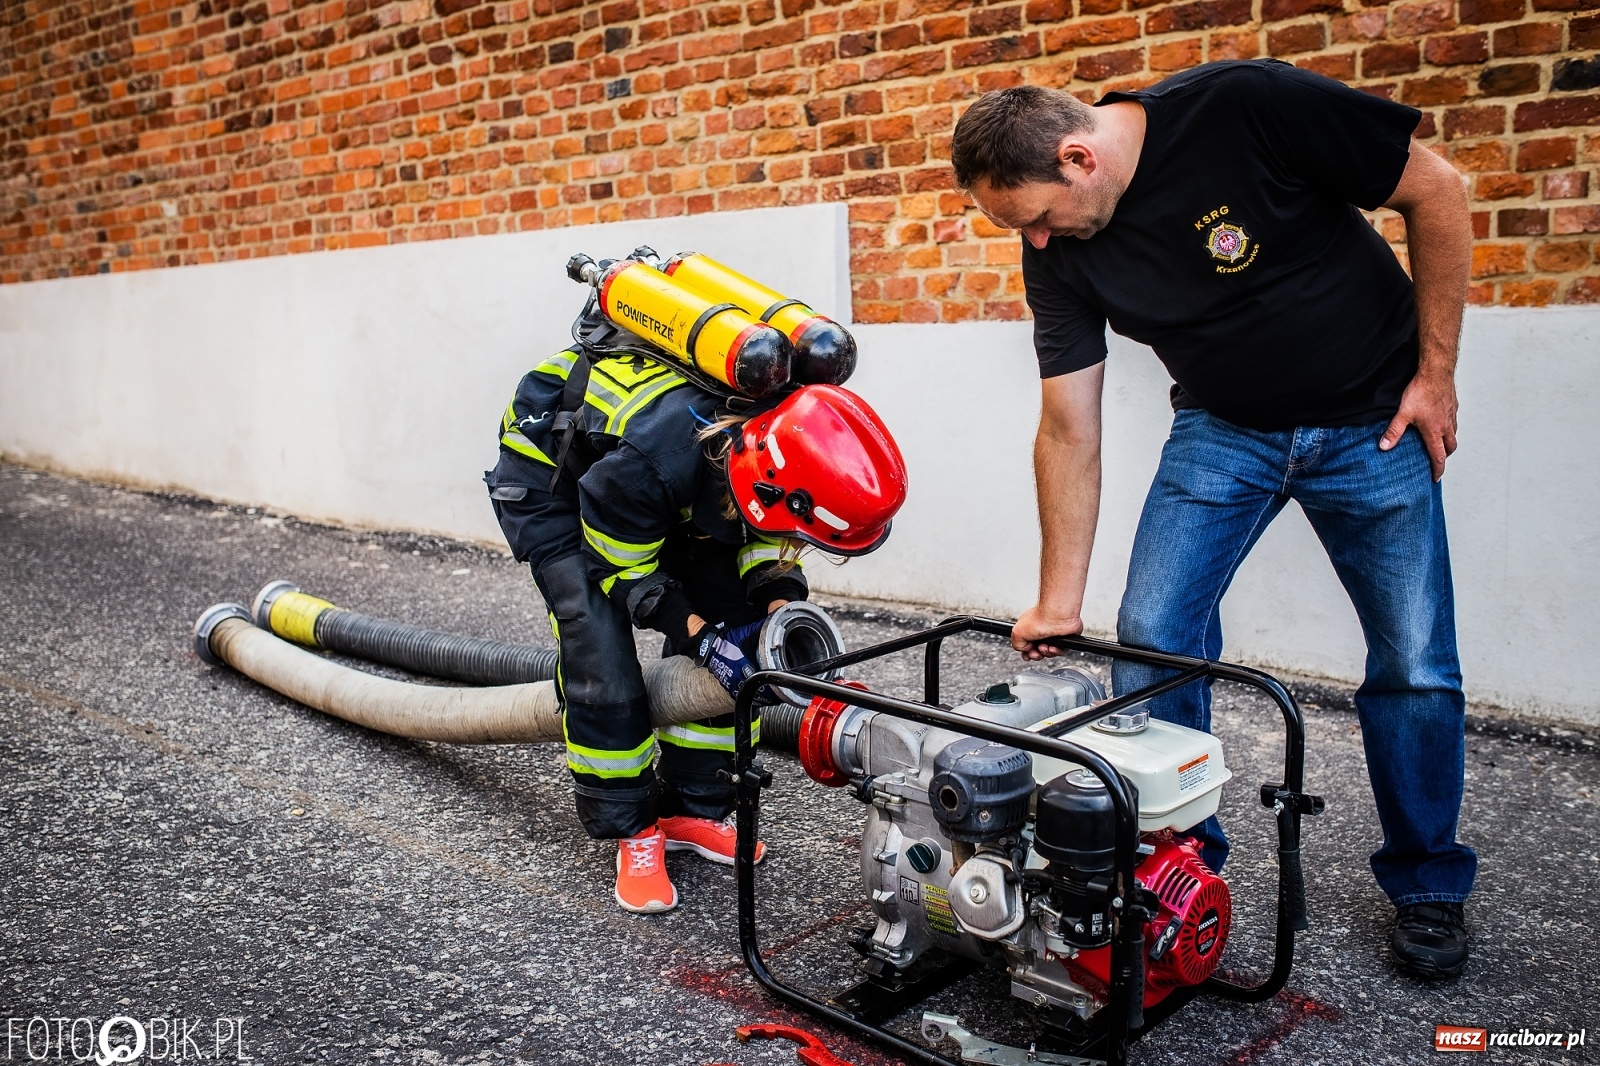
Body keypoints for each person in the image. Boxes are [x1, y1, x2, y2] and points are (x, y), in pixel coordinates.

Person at [949, 59, 1476, 978]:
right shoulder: (1062, 253)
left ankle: (1427, 883)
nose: (1033, 243)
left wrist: (1435, 377)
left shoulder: (1245, 108)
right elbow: (1069, 425)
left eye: (1033, 217)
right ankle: (1185, 862)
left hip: (1374, 422)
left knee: (1415, 660)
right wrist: (1057, 599)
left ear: (1080, 158)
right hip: (1224, 429)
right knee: (1153, 635)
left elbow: (1437, 190)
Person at [485, 347, 906, 914]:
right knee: (600, 652)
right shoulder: (649, 467)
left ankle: (692, 807)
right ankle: (633, 829)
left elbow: (767, 531)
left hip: (673, 480)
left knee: (734, 615)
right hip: (559, 477)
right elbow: (627, 572)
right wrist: (704, 641)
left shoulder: (778, 440)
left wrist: (777, 611)